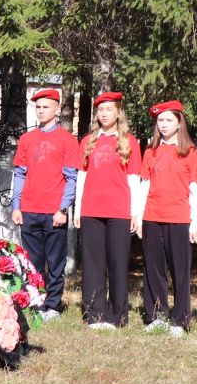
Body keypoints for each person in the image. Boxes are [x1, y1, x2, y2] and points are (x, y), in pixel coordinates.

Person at [133, 101, 197, 336]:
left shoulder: (191, 152)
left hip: (179, 219)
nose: (163, 125)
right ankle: (156, 315)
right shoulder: (150, 152)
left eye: (168, 120)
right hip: (153, 217)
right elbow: (144, 186)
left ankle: (180, 320)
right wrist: (139, 215)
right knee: (153, 269)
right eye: (160, 121)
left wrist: (195, 224)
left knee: (180, 270)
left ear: (179, 123)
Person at [9, 88, 80, 320]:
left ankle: (52, 305)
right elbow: (19, 174)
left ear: (57, 109)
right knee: (32, 261)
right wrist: (16, 206)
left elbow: (71, 178)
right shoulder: (27, 139)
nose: (41, 111)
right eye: (38, 107)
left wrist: (63, 209)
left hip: (54, 213)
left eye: (46, 106)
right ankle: (35, 301)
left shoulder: (67, 140)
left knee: (55, 261)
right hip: (29, 210)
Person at [74, 91, 141, 330]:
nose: (104, 114)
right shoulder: (88, 140)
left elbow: (134, 178)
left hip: (119, 211)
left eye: (109, 110)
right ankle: (94, 314)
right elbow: (81, 176)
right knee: (93, 263)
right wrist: (77, 209)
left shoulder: (129, 142)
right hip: (91, 209)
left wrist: (135, 212)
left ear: (118, 113)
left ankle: (117, 315)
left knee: (117, 262)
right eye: (100, 110)